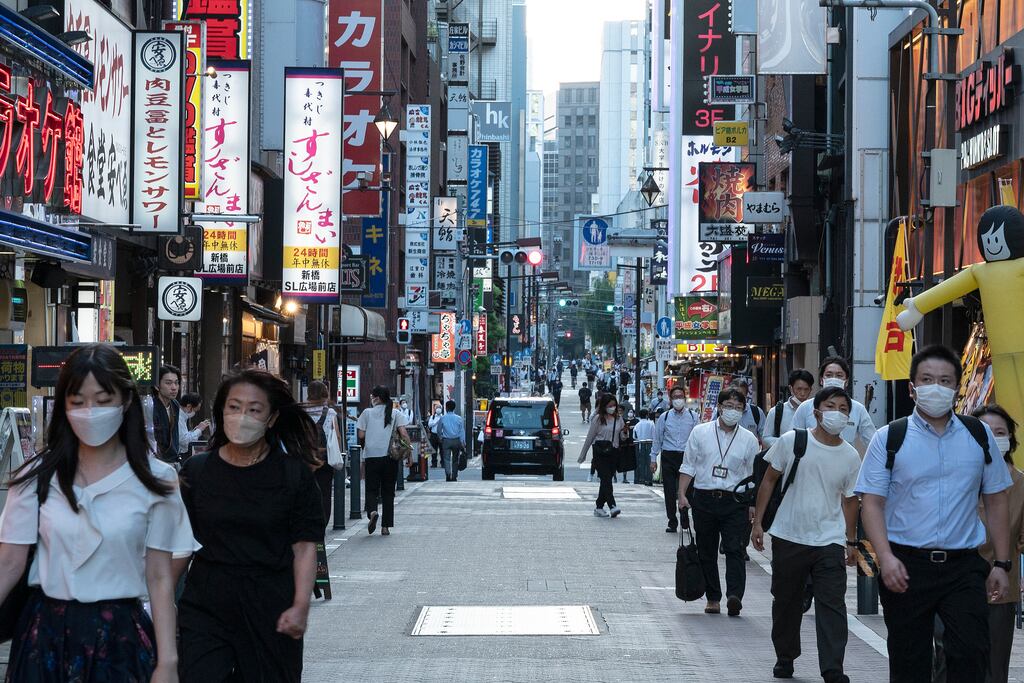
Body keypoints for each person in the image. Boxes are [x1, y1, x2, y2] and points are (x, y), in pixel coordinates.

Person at [0, 343, 197, 682]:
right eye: (78, 402)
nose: (90, 411)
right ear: (63, 406)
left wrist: (168, 662)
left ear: (127, 402)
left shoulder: (157, 479)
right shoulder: (35, 477)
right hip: (44, 635)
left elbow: (160, 576)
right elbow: (9, 562)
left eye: (104, 401)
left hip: (119, 636)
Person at [855, 345, 1012, 681]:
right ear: (912, 388)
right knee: (909, 662)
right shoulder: (889, 438)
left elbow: (997, 498)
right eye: (927, 379)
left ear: (957, 388)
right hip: (906, 566)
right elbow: (871, 502)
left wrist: (1001, 563)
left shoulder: (977, 435)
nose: (936, 387)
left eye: (944, 381)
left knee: (971, 653)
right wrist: (886, 558)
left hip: (964, 567)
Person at [177, 369, 323, 681]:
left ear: (271, 418)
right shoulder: (196, 472)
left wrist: (300, 605)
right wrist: (161, 602)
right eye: (234, 407)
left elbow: (305, 546)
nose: (242, 416)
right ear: (221, 412)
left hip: (271, 605)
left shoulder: (293, 476)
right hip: (207, 601)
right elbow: (178, 546)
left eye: (254, 410)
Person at [751, 386, 861, 682]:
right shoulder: (793, 441)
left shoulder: (851, 457)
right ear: (816, 412)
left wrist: (851, 541)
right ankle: (785, 656)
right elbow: (769, 480)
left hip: (830, 539)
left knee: (832, 604)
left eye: (843, 408)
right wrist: (758, 522)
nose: (836, 413)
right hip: (789, 535)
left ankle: (833, 668)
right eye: (830, 406)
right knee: (786, 601)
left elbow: (851, 500)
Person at [677, 387, 761, 616]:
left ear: (743, 411)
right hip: (704, 497)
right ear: (719, 407)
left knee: (735, 549)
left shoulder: (749, 439)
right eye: (729, 406)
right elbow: (689, 465)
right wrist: (682, 494)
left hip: (735, 500)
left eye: (738, 408)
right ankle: (713, 597)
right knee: (707, 550)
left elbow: (753, 476)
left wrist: (753, 504)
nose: (733, 411)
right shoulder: (700, 432)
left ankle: (734, 595)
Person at [973, 404, 1024, 683]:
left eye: (1000, 432)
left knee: (994, 668)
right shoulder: (959, 478)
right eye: (986, 432)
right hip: (953, 584)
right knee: (947, 662)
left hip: (1000, 589)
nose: (993, 438)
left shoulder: (1021, 484)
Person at [356, 386, 411, 535]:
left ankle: (373, 512)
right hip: (390, 457)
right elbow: (404, 434)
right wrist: (409, 454)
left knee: (372, 489)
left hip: (371, 456)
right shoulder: (395, 413)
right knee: (388, 492)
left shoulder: (366, 413)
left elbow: (361, 435)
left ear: (377, 398)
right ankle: (385, 527)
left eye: (372, 396)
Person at [791, 357, 877, 450]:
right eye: (829, 375)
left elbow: (873, 442)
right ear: (821, 380)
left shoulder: (858, 409)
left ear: (846, 381)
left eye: (839, 375)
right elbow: (793, 440)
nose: (834, 379)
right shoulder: (805, 407)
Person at [651, 386, 701, 532]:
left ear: (684, 398)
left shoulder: (693, 416)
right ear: (671, 400)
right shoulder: (664, 417)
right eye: (675, 397)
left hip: (687, 457)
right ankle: (672, 520)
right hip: (669, 455)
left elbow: (698, 439)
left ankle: (684, 515)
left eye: (681, 396)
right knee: (669, 490)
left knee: (687, 490)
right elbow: (657, 439)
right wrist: (653, 458)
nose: (678, 399)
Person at [303, 380, 343, 526]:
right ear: (324, 393)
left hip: (306, 457)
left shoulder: (302, 411)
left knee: (305, 490)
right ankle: (322, 523)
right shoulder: (330, 412)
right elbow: (337, 436)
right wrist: (337, 452)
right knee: (325, 492)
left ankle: (307, 522)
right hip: (325, 457)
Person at [578, 393, 624, 518]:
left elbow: (622, 437)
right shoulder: (598, 419)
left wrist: (625, 433)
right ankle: (612, 506)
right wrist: (583, 455)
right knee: (606, 479)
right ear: (604, 406)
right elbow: (590, 437)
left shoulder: (619, 419)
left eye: (614, 405)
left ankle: (599, 507)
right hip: (600, 453)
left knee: (606, 480)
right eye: (610, 405)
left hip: (614, 453)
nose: (612, 408)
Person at [762, 369, 814, 448]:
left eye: (806, 389)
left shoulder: (815, 410)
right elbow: (765, 438)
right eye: (799, 389)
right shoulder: (777, 411)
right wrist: (786, 442)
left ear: (810, 390)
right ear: (791, 388)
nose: (802, 393)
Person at [152, 364, 182, 464]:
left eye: (176, 383)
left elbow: (175, 434)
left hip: (172, 459)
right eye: (168, 383)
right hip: (156, 460)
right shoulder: (151, 406)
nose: (174, 387)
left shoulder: (175, 404)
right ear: (157, 386)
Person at [438, 400, 466, 482]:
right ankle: (454, 476)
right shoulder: (459, 418)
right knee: (455, 459)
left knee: (446, 459)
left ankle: (448, 474)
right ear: (454, 408)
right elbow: (461, 431)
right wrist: (463, 442)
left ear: (446, 408)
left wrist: (440, 437)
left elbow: (439, 430)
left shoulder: (443, 418)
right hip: (456, 440)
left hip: (446, 440)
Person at [178, 392, 211, 459]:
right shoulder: (179, 418)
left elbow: (183, 435)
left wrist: (195, 430)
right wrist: (199, 430)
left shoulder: (182, 417)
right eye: (195, 410)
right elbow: (185, 441)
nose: (194, 413)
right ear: (189, 406)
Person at [427, 403, 444, 468]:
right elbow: (429, 424)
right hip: (433, 434)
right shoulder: (432, 417)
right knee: (434, 450)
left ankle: (443, 463)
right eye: (437, 408)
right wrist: (436, 422)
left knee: (442, 450)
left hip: (441, 435)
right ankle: (434, 463)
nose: (438, 409)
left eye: (439, 408)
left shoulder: (443, 417)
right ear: (435, 409)